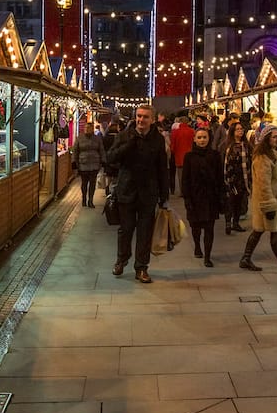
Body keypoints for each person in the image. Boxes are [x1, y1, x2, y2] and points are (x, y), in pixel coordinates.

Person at [106, 103, 169, 283]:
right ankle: (121, 259)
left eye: (145, 117)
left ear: (153, 119)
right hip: (126, 191)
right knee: (125, 230)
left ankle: (141, 267)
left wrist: (164, 196)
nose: (141, 120)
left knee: (145, 232)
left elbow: (162, 168)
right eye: (139, 116)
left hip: (148, 193)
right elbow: (110, 158)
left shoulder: (157, 139)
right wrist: (130, 144)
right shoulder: (125, 135)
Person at [240, 126, 277, 274]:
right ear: (266, 139)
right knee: (274, 232)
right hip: (269, 201)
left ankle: (246, 258)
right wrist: (269, 205)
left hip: (276, 199)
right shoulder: (262, 158)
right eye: (274, 137)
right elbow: (263, 184)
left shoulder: (275, 154)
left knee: (259, 230)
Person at [180, 128, 225, 267]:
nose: (202, 140)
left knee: (209, 228)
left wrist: (221, 196)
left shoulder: (215, 155)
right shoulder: (189, 156)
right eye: (199, 137)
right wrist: (187, 198)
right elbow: (185, 179)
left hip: (210, 197)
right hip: (195, 197)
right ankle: (197, 247)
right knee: (195, 227)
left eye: (204, 137)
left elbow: (219, 177)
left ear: (209, 138)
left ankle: (208, 256)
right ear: (194, 139)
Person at [221, 121, 251, 235]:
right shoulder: (228, 146)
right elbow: (225, 163)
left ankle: (236, 222)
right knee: (231, 201)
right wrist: (228, 179)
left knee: (239, 202)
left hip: (243, 178)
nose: (240, 131)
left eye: (241, 129)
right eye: (238, 129)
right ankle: (228, 223)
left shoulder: (246, 145)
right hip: (232, 178)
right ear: (233, 132)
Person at [71, 123, 105, 207]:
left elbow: (101, 150)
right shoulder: (80, 138)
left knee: (92, 183)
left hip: (94, 164)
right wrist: (74, 162)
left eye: (89, 128)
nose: (87, 129)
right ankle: (84, 199)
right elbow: (75, 150)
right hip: (83, 163)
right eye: (86, 128)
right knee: (84, 183)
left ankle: (90, 200)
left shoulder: (97, 139)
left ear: (92, 129)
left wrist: (103, 161)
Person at [169, 116, 195, 196]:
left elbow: (172, 145)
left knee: (180, 175)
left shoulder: (175, 132)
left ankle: (182, 191)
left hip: (179, 156)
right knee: (189, 175)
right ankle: (189, 190)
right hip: (190, 156)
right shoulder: (192, 131)